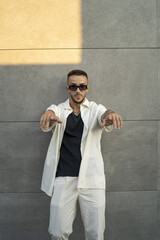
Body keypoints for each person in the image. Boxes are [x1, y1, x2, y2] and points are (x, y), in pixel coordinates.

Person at [40, 69, 123, 240]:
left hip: (92, 180)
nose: (78, 90)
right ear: (68, 88)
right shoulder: (59, 109)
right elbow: (50, 113)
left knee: (95, 233)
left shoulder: (95, 109)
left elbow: (104, 113)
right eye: (73, 86)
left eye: (82, 86)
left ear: (87, 88)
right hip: (64, 179)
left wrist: (110, 115)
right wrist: (49, 114)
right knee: (57, 232)